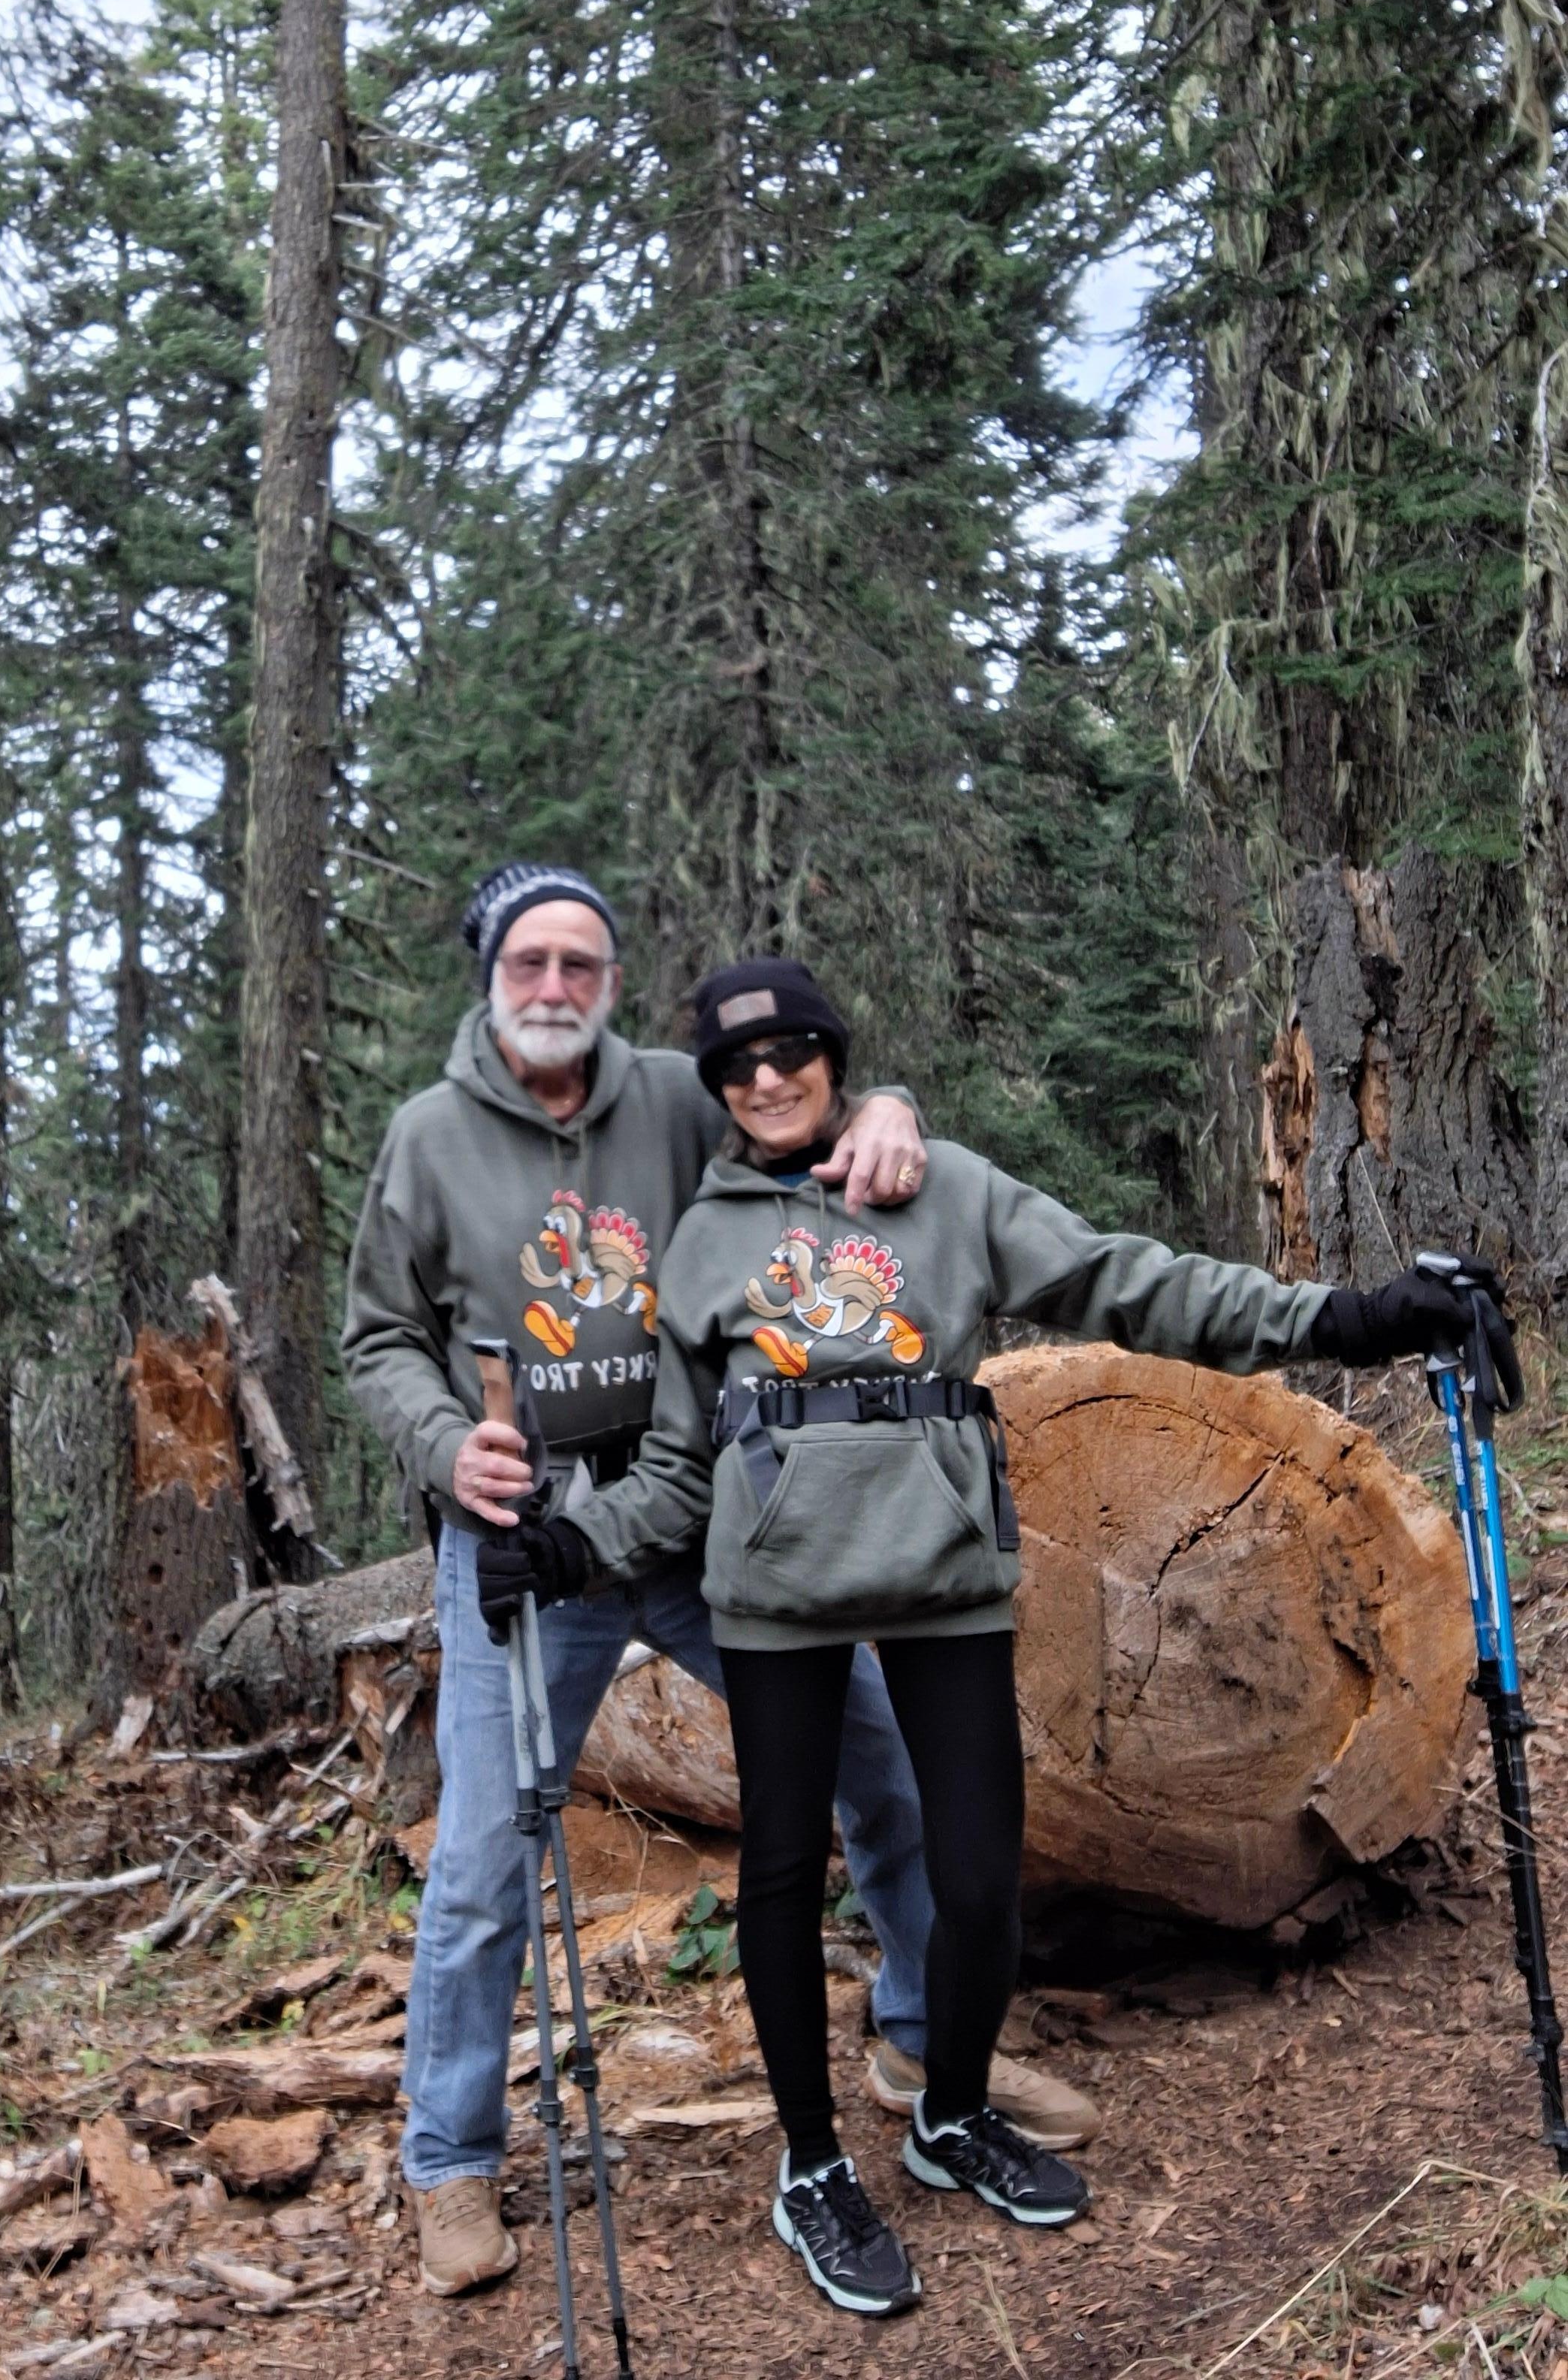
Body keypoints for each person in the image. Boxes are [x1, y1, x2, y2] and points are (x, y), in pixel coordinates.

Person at [485, 952, 1512, 2321]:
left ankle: (949, 2111)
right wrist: (570, 1545)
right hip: (776, 1603)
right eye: (738, 1066)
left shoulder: (946, 1189)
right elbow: (677, 1473)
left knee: (977, 1877)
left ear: (834, 1056)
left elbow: (1132, 1285)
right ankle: (809, 2170)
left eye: (792, 1049)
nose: (768, 1078)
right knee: (786, 1883)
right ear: (717, 1089)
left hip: (948, 1582)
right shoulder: (703, 1243)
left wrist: (1357, 1317)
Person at [342, 865, 1092, 2305]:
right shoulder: (428, 1142)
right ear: (489, 975)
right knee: (495, 1850)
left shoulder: (678, 1098)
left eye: (581, 962)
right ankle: (448, 2156)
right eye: (530, 964)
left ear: (610, 982)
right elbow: (380, 1336)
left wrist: (893, 1112)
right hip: (531, 1534)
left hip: (706, 1515)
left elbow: (794, 1144)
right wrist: (451, 1454)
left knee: (882, 1774)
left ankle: (929, 2050)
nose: (555, 987)